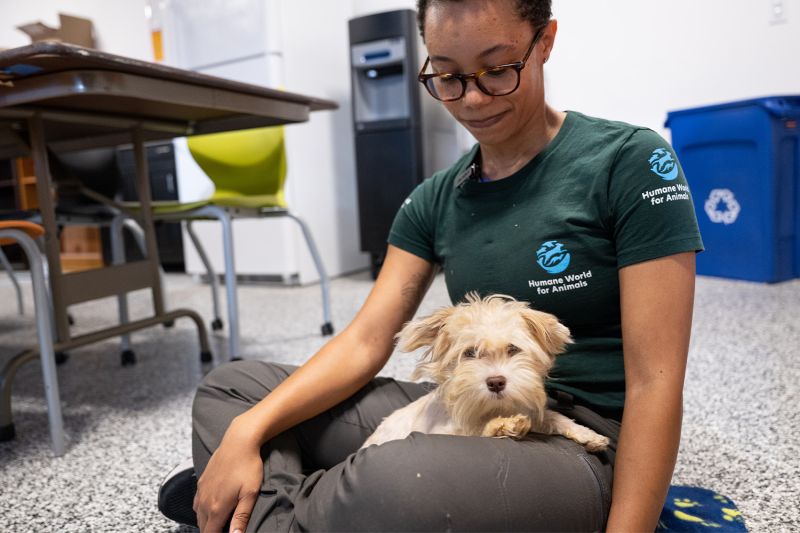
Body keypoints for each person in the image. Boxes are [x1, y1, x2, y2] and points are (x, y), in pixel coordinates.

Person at [159, 0, 703, 531]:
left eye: (497, 71)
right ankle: (293, 496)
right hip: (467, 406)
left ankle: (261, 498)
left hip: (578, 441)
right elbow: (365, 341)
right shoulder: (434, 197)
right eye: (447, 76)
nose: (471, 99)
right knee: (233, 392)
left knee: (396, 480)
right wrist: (246, 432)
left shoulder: (630, 162)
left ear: (546, 42)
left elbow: (656, 384)